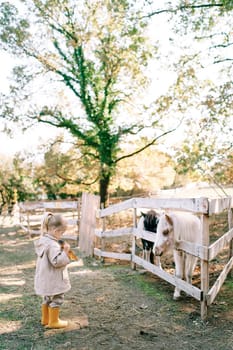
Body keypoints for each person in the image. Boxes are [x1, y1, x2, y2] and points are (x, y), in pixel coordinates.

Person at [34, 212, 71, 328]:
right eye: (61, 233)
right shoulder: (52, 245)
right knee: (57, 298)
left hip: (45, 278)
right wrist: (65, 252)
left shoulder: (43, 241)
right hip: (53, 278)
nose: (61, 235)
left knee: (47, 297)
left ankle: (46, 319)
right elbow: (57, 262)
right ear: (55, 231)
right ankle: (54, 322)